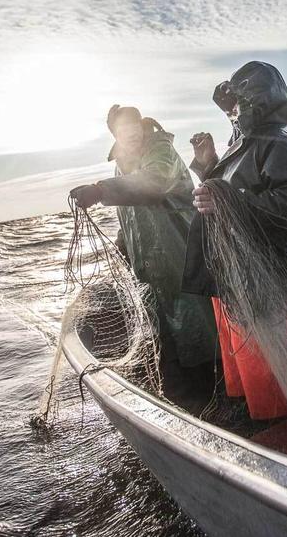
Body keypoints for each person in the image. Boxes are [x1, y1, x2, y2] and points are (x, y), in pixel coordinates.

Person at [181, 61, 287, 420]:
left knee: (277, 397)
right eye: (228, 106)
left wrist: (227, 199)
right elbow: (232, 189)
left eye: (237, 104)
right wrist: (208, 165)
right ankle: (258, 422)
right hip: (238, 284)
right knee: (248, 381)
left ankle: (283, 434)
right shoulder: (243, 144)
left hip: (274, 288)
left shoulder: (282, 143)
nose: (232, 111)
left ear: (258, 101)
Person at [70, 105, 217, 397]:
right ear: (114, 134)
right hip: (149, 267)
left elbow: (155, 183)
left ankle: (217, 387)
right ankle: (186, 395)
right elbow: (132, 216)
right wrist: (125, 245)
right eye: (123, 129)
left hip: (182, 255)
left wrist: (100, 191)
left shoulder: (162, 152)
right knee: (166, 337)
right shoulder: (120, 166)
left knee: (198, 328)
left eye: (135, 125)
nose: (132, 132)